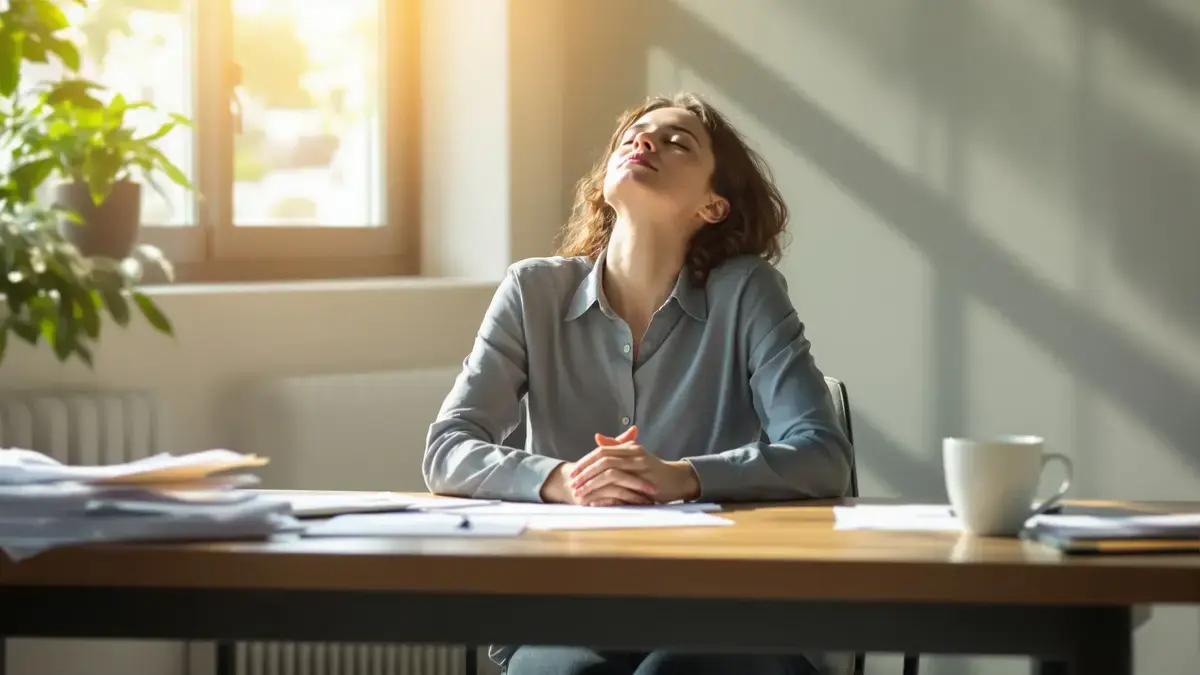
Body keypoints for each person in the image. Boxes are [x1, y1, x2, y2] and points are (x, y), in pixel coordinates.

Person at [423, 93, 852, 675]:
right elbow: (447, 449)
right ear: (604, 182)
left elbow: (823, 456)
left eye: (677, 142)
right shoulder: (532, 292)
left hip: (724, 611)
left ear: (713, 206)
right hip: (570, 608)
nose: (643, 142)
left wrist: (683, 477)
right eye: (634, 134)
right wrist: (561, 480)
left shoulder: (748, 291)